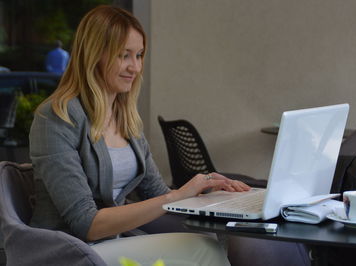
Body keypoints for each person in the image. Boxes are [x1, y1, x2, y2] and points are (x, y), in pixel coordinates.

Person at [29, 5, 249, 265]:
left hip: (110, 243)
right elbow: (86, 223)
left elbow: (155, 192)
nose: (135, 67)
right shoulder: (56, 117)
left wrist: (208, 193)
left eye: (140, 55)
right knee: (204, 250)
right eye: (124, 55)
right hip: (66, 250)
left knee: (212, 239)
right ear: (94, 55)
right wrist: (177, 195)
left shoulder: (126, 118)